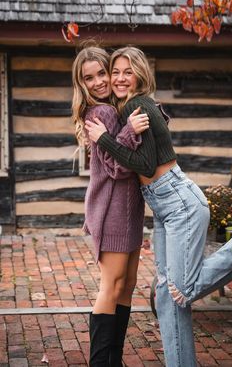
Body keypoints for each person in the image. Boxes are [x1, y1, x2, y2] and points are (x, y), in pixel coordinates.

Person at [85, 46, 232, 367]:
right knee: (168, 297)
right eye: (115, 71)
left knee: (182, 288)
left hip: (178, 201)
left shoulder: (135, 107)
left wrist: (105, 140)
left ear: (141, 73)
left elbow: (147, 165)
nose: (119, 78)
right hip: (165, 206)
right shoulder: (134, 107)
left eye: (128, 71)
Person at [72, 45, 150, 367]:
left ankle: (113, 359)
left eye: (102, 73)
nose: (100, 82)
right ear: (82, 84)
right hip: (112, 211)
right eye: (89, 78)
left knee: (127, 285)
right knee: (112, 285)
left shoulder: (112, 110)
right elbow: (118, 168)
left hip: (128, 211)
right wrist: (131, 129)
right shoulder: (101, 113)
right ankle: (101, 361)